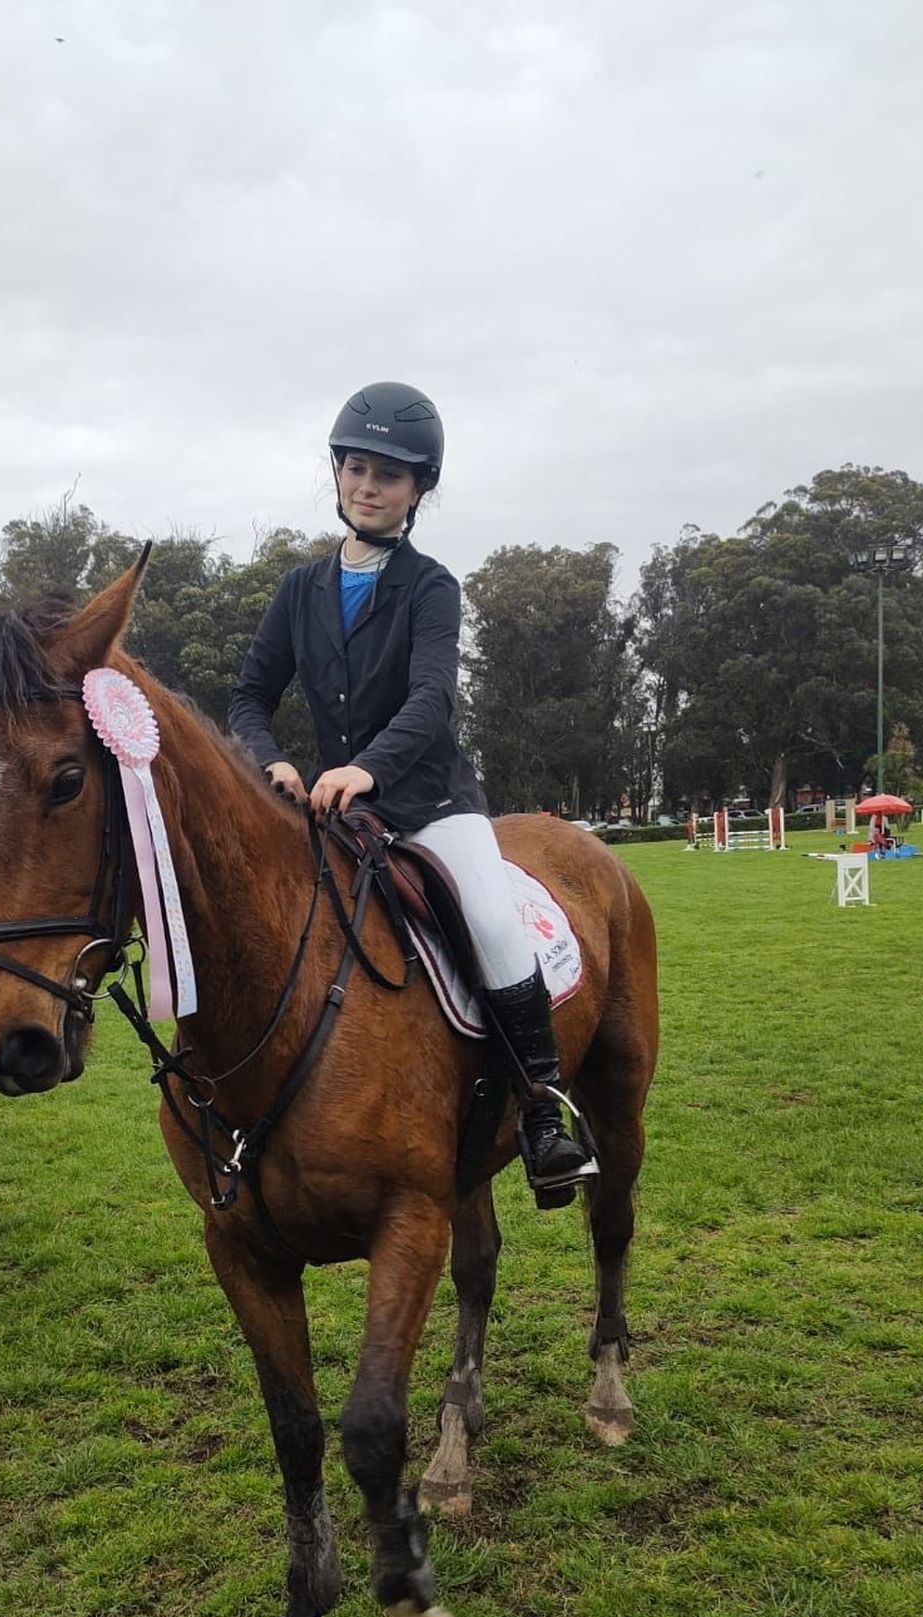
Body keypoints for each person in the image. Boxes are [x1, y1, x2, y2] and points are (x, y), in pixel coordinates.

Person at [228, 379, 597, 1201]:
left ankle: (542, 1113)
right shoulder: (298, 591)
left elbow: (433, 699)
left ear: (417, 489)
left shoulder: (432, 587)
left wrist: (370, 767)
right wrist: (268, 760)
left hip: (430, 805)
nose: (368, 485)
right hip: (330, 811)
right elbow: (249, 696)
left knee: (495, 920)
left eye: (388, 476)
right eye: (357, 468)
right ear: (337, 473)